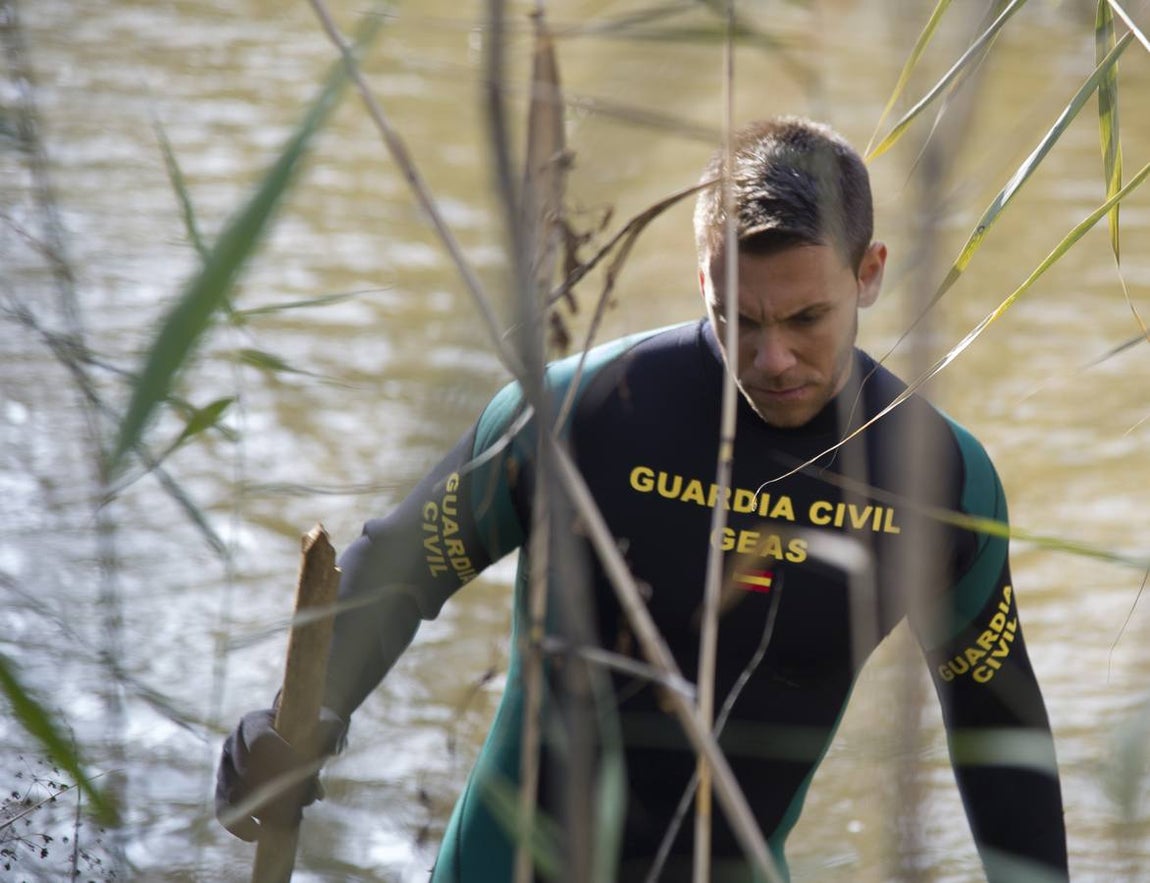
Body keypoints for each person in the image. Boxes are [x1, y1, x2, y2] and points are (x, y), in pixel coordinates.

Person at [216, 117, 1069, 882]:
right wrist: (303, 717)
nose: (773, 359)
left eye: (807, 317)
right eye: (741, 318)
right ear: (703, 279)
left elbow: (998, 733)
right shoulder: (576, 415)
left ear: (871, 273)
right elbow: (401, 567)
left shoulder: (936, 480)